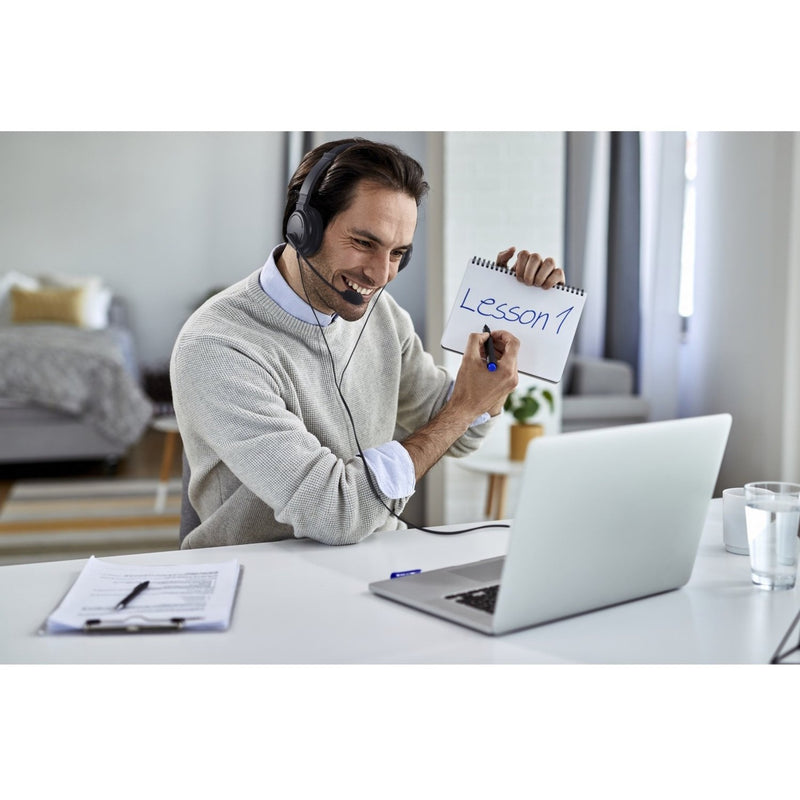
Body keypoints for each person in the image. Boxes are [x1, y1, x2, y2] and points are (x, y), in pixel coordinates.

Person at [170, 137, 564, 548]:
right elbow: (336, 511)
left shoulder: (382, 314)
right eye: (364, 243)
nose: (381, 275)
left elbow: (459, 434)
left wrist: (496, 346)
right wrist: (464, 406)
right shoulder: (217, 346)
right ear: (302, 228)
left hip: (374, 568)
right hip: (258, 583)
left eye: (398, 253)